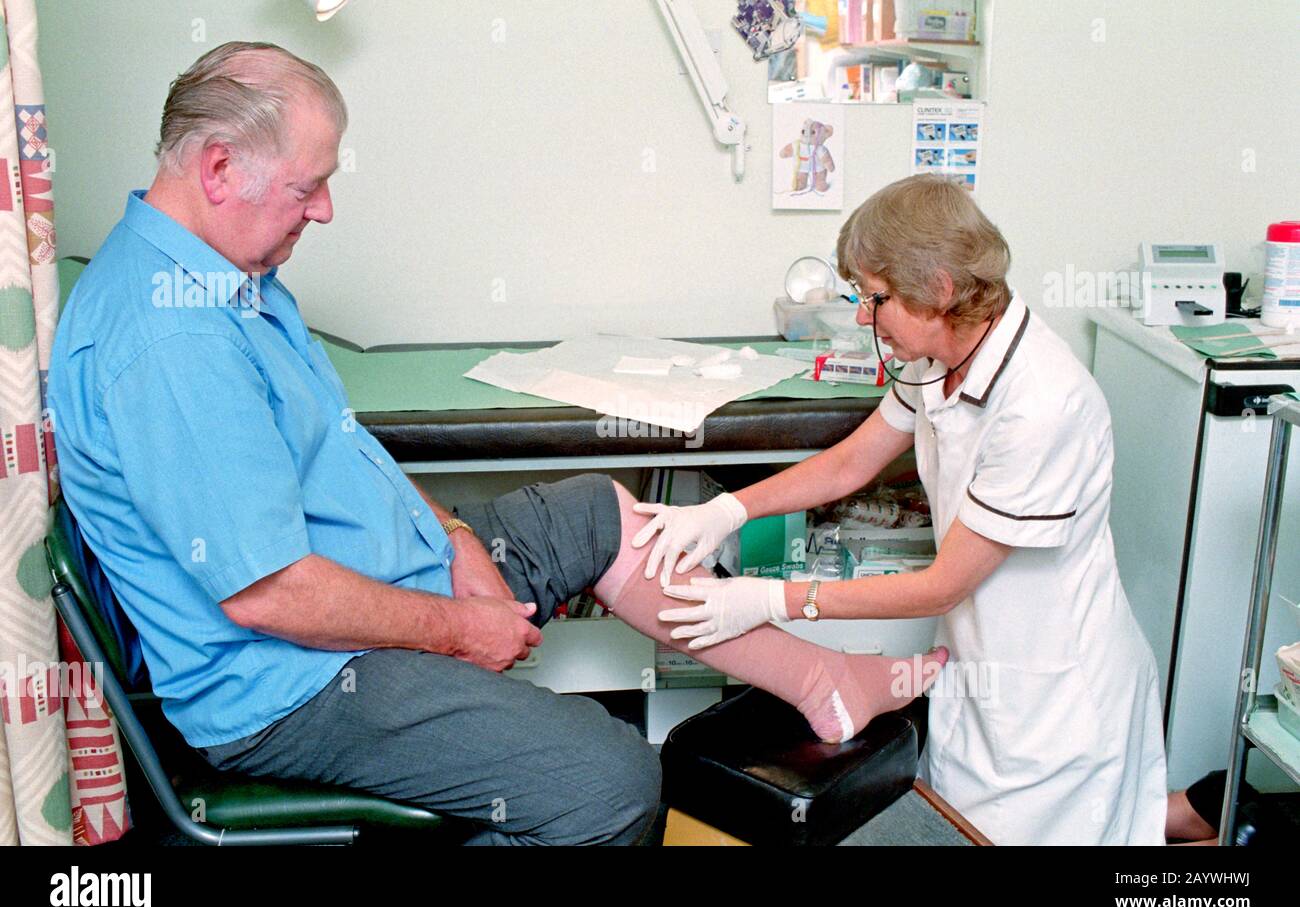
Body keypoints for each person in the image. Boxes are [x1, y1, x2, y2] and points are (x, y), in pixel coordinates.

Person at [46, 41, 944, 845]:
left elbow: (342, 464)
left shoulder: (235, 277)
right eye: (306, 186)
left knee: (601, 512)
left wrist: (455, 540)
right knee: (612, 786)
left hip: (363, 582)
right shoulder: (170, 340)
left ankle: (824, 680)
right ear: (216, 169)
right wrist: (458, 629)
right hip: (298, 683)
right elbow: (271, 594)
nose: (324, 211)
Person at [633, 174, 1168, 845]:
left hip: (1058, 703)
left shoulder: (1043, 403)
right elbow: (850, 464)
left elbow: (944, 583)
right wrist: (728, 511)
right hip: (980, 671)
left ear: (939, 288)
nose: (863, 314)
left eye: (874, 296)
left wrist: (772, 598)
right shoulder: (938, 357)